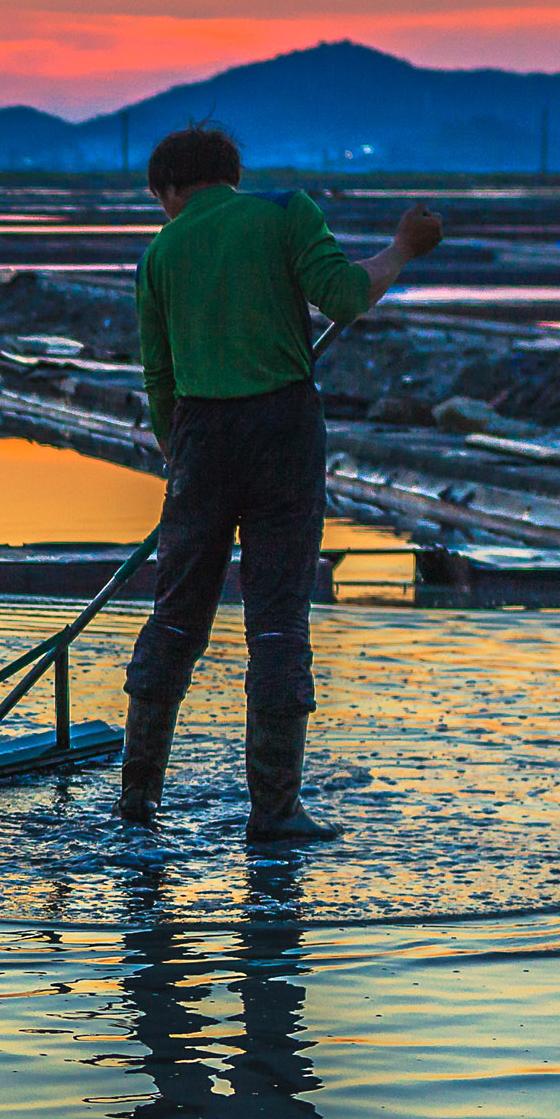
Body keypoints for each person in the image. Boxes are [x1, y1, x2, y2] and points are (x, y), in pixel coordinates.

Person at [118, 124, 440, 842]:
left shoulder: (161, 253)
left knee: (175, 618)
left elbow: (159, 378)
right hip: (281, 432)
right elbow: (348, 297)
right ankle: (276, 811)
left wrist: (185, 461)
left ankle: (137, 798)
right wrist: (403, 249)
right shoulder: (286, 214)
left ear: (172, 189)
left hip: (200, 435)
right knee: (275, 623)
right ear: (229, 175)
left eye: (162, 200)